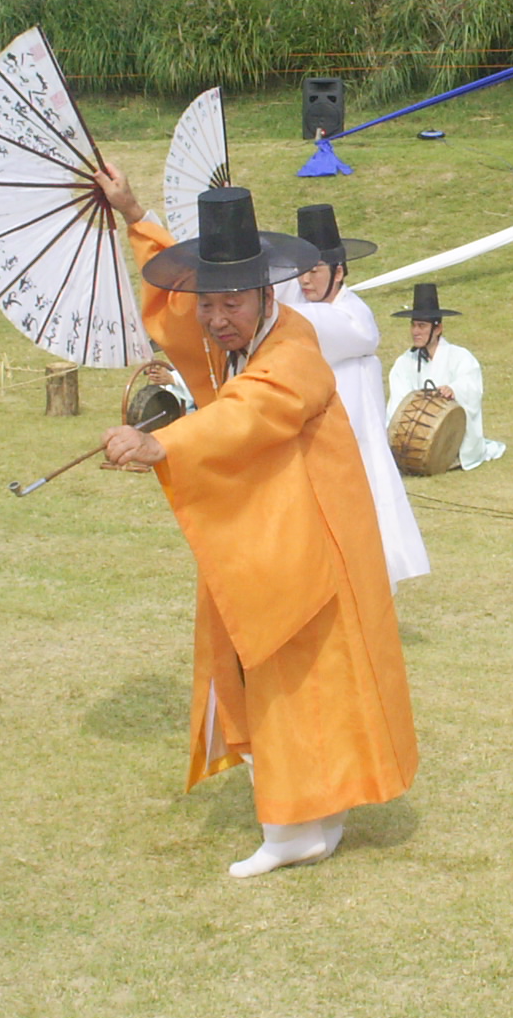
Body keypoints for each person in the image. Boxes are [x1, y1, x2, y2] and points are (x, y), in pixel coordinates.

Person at [93, 170, 419, 878]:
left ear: (266, 295)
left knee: (305, 675)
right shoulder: (227, 336)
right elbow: (175, 317)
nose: (215, 319)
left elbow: (253, 410)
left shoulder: (294, 349)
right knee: (279, 671)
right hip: (273, 530)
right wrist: (135, 212)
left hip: (316, 537)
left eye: (230, 303)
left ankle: (298, 824)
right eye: (208, 303)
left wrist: (164, 444)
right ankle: (310, 819)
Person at [277, 204, 429, 589]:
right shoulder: (300, 305)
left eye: (315, 271)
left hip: (353, 443)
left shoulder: (353, 316)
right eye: (302, 272)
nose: (306, 281)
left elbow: (300, 321)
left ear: (339, 272)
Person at [385, 284, 504, 470]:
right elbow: (397, 402)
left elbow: (471, 385)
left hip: (452, 439)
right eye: (413, 325)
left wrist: (453, 389)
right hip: (414, 438)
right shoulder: (404, 361)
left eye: (422, 326)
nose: (415, 331)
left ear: (438, 328)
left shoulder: (460, 356)